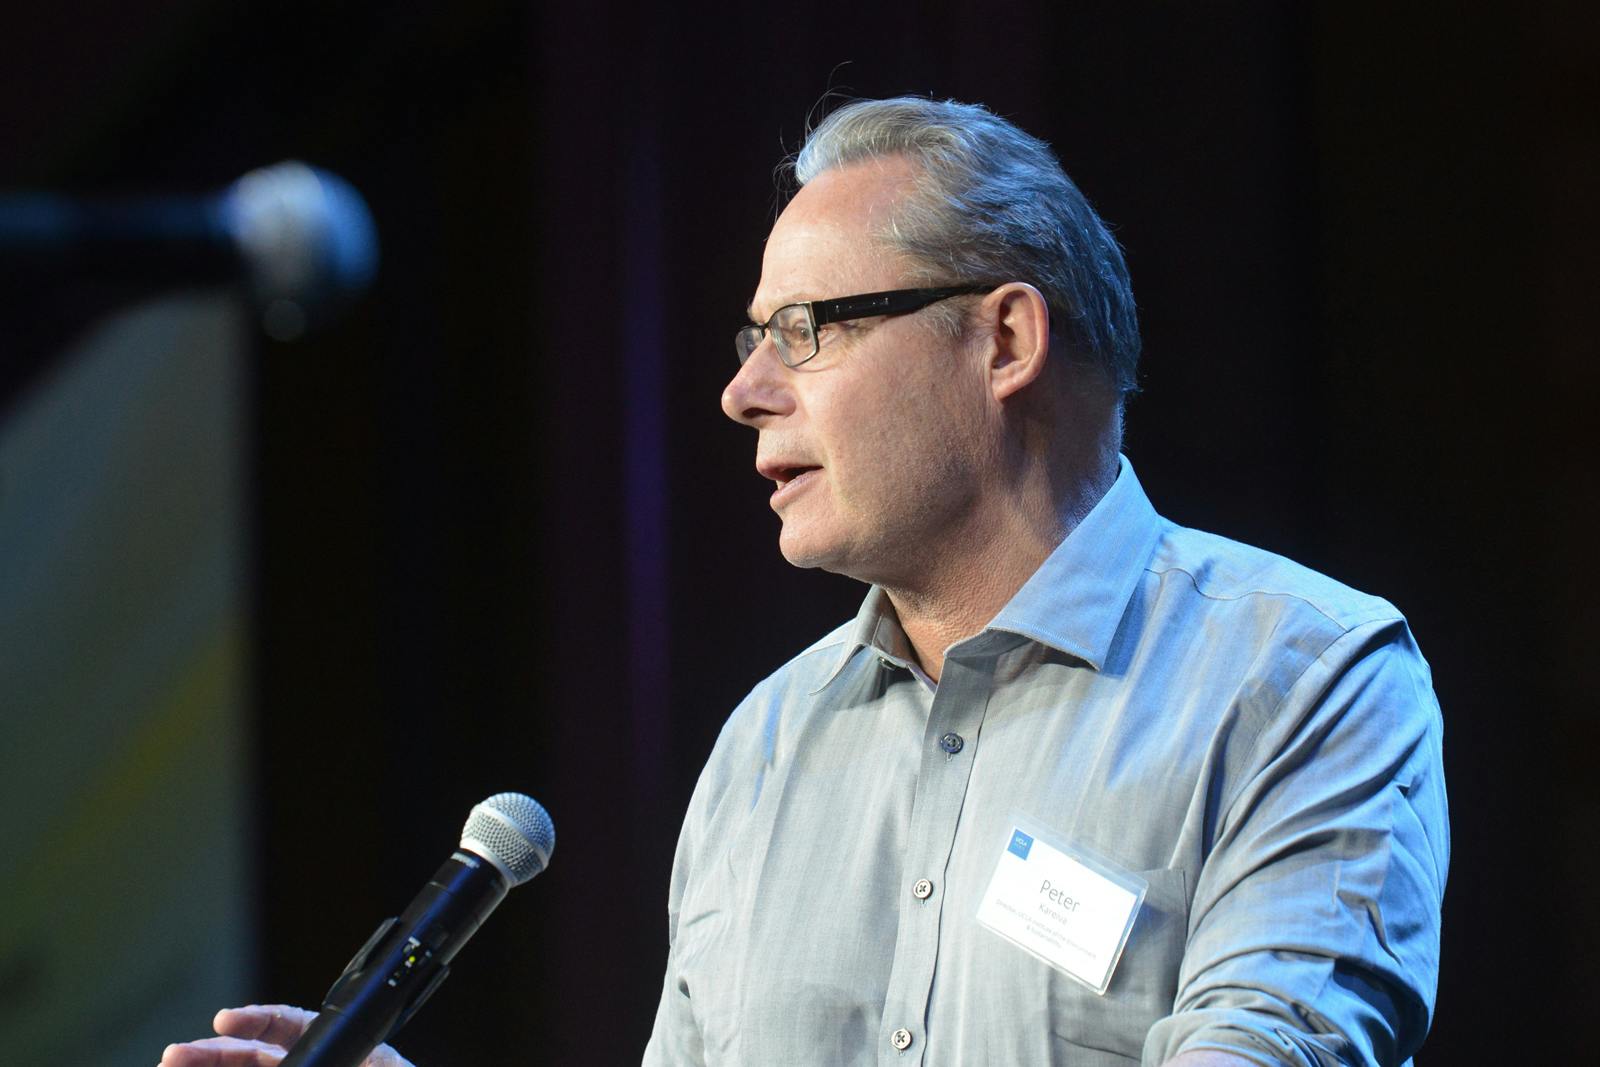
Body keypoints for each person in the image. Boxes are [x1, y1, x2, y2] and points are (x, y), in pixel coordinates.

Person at [161, 97, 1448, 1067]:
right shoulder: (767, 743)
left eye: (804, 332)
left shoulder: (1302, 680)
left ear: (1003, 338)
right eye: (748, 340)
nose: (742, 391)